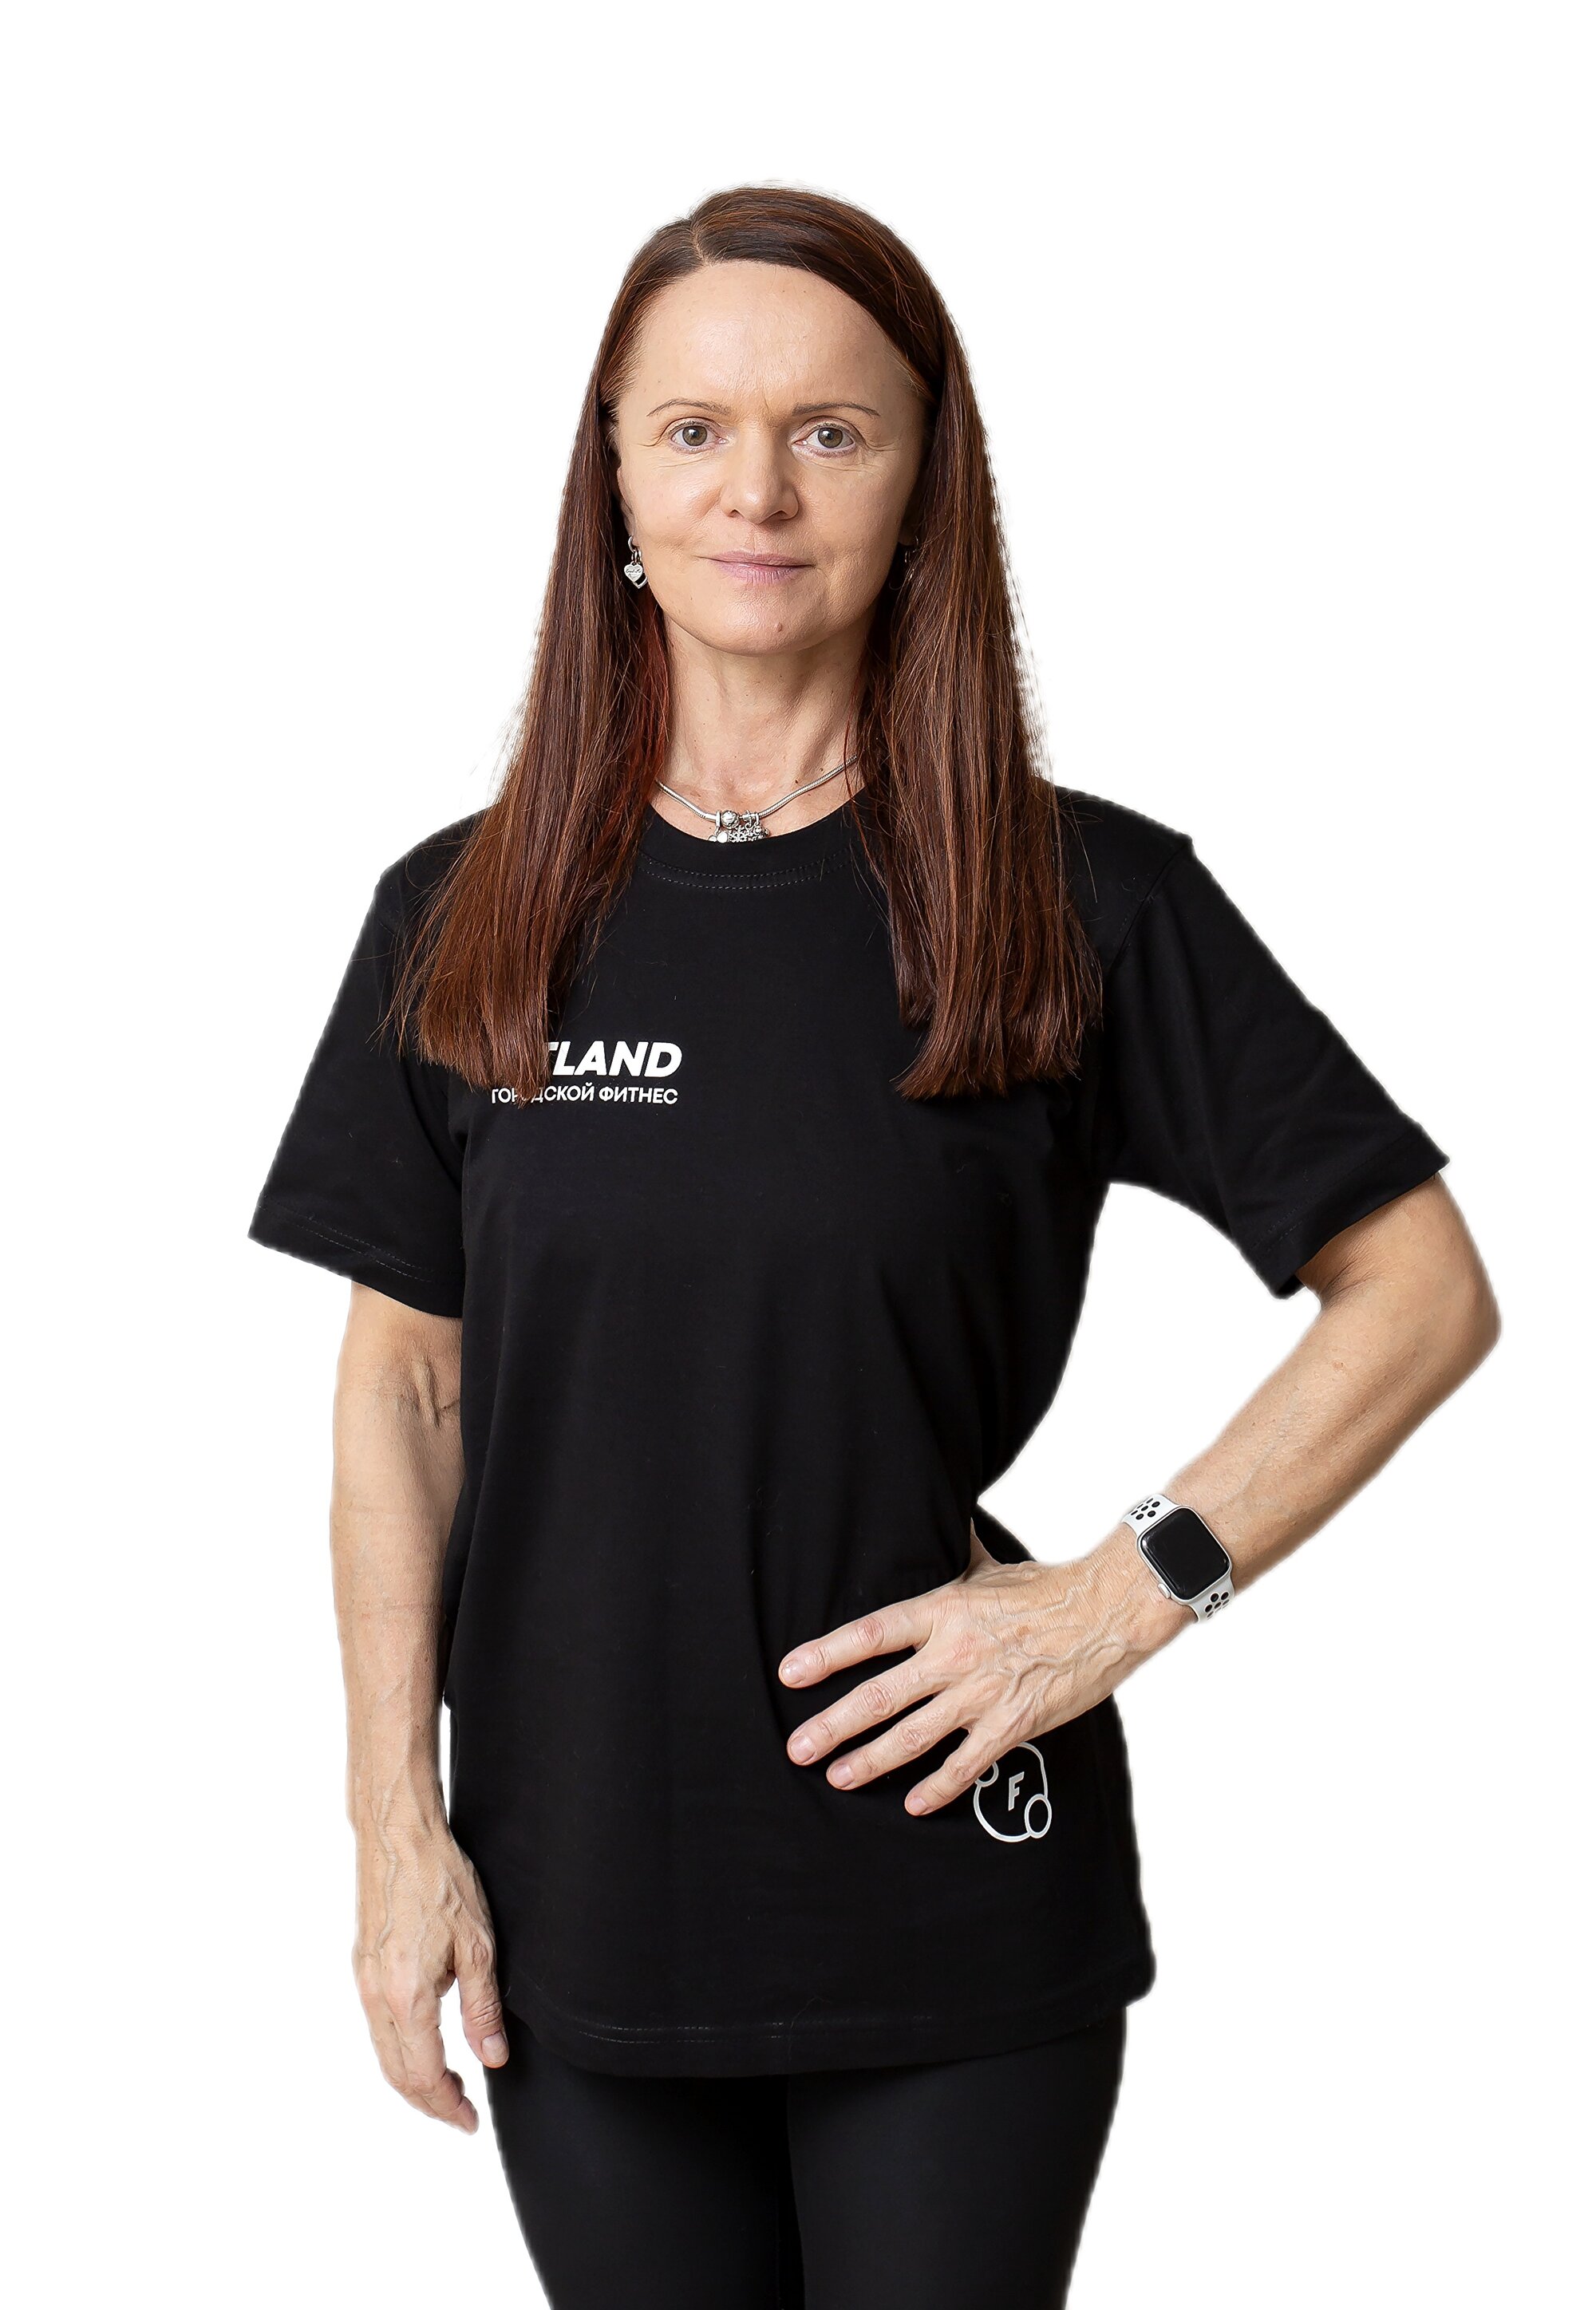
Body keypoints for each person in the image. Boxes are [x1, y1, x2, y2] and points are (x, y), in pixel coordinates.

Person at [247, 185, 1498, 2309]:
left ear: (926, 483)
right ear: (613, 476)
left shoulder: (1074, 900)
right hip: (573, 1894)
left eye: (831, 432)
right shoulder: (464, 913)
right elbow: (406, 1383)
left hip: (948, 1891)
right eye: (694, 430)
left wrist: (1124, 1595)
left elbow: (1421, 1285)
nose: (756, 490)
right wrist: (395, 1823)